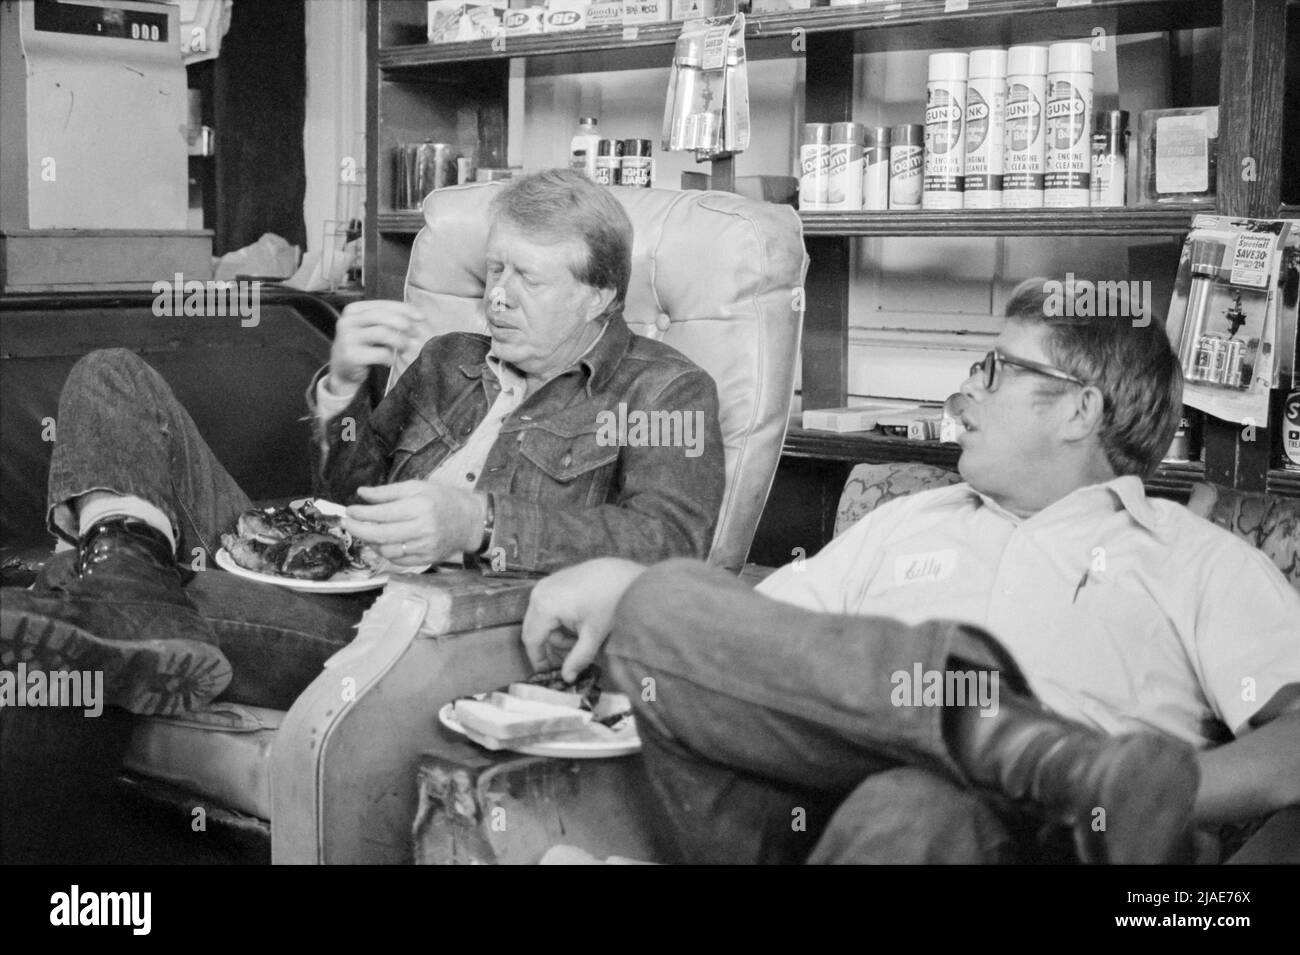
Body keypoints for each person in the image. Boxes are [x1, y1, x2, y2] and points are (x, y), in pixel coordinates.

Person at [520, 279, 1300, 864]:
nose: (960, 395)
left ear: (1079, 411)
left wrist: (1163, 793)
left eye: (994, 370)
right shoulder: (909, 518)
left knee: (916, 807)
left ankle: (1067, 771)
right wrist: (627, 592)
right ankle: (1054, 760)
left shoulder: (1190, 557)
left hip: (1054, 844)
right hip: (815, 817)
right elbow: (762, 656)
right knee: (660, 602)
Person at [0, 168, 725, 716]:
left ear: (598, 295)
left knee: (142, 588)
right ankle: (124, 575)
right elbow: (348, 497)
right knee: (110, 375)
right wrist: (342, 388)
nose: (497, 296)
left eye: (526, 279)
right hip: (326, 570)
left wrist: (479, 523)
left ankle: (108, 583)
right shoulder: (450, 359)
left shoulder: (663, 392)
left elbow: (671, 544)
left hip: (421, 632)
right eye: (494, 270)